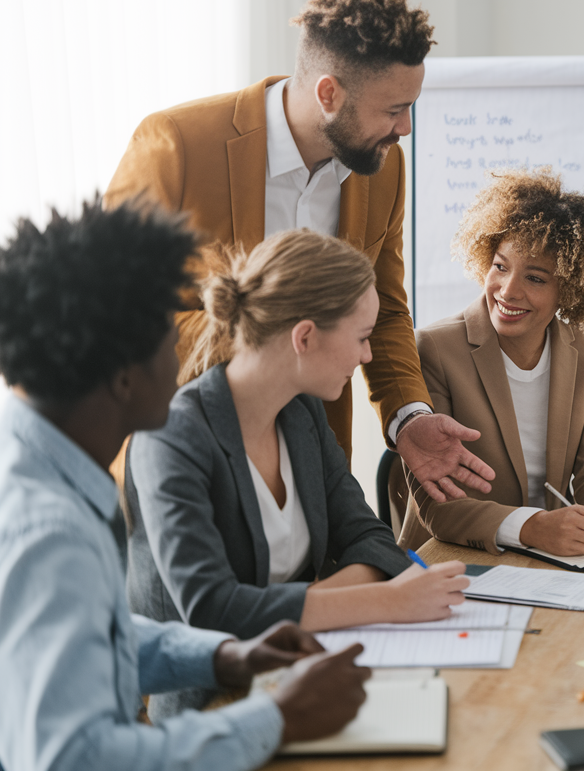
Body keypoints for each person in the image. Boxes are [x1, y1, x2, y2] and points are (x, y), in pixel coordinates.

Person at [0, 200, 369, 771]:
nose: (181, 354)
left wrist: (227, 655)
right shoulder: (52, 532)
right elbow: (75, 759)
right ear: (122, 377)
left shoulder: (43, 469)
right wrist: (278, 718)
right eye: (165, 338)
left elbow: (107, 634)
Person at [104, 0, 494, 501]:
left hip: (312, 471)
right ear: (328, 93)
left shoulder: (384, 168)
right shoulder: (175, 145)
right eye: (393, 109)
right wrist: (276, 344)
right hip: (180, 461)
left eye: (411, 107)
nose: (405, 128)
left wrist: (409, 418)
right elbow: (112, 316)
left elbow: (388, 312)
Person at [126, 229, 469, 717]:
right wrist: (385, 602)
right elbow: (212, 610)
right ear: (304, 336)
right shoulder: (171, 437)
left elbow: (370, 538)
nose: (368, 356)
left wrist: (306, 606)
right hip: (209, 708)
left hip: (304, 674)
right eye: (363, 338)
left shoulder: (301, 413)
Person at [396, 167, 584, 556]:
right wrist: (530, 527)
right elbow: (440, 508)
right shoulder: (436, 349)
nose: (508, 291)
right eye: (500, 266)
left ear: (571, 287)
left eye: (536, 278)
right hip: (453, 560)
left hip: (552, 559)